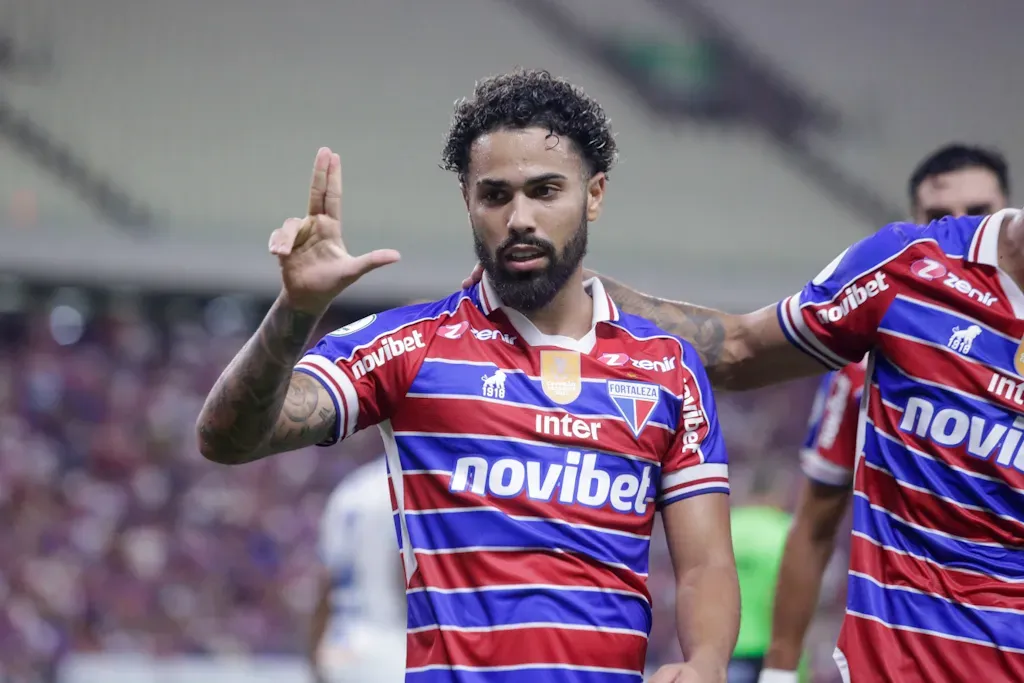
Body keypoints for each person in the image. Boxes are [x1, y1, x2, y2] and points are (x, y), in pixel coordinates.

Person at [197, 69, 740, 683]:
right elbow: (225, 438)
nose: (519, 218)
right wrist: (295, 311)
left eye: (545, 191)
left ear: (594, 195)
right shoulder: (409, 346)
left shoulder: (668, 367)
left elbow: (706, 565)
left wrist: (707, 661)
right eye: (495, 195)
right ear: (468, 201)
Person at [460, 142, 1022, 680]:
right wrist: (578, 290)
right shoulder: (909, 268)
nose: (957, 220)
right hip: (899, 667)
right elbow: (740, 351)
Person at [756, 144, 1011, 683]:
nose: (961, 224)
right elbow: (814, 524)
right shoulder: (862, 370)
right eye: (941, 216)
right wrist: (777, 673)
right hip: (900, 659)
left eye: (979, 211)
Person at [309, 455, 406, 683]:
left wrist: (314, 653)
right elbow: (406, 575)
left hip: (340, 648)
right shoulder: (415, 485)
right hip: (392, 650)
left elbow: (326, 584)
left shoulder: (351, 489)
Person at [726, 468, 794, 683]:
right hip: (770, 648)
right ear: (777, 493)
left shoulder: (725, 527)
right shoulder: (787, 531)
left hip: (721, 644)